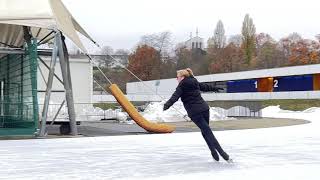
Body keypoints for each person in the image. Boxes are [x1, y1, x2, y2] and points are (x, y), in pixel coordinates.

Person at [163, 68, 231, 162]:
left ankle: (223, 154)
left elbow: (174, 97)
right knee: (205, 131)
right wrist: (215, 88)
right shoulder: (194, 81)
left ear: (182, 77)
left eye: (177, 77)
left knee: (207, 132)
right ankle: (213, 152)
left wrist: (167, 105)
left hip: (195, 112)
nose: (176, 79)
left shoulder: (181, 86)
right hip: (204, 109)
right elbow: (204, 87)